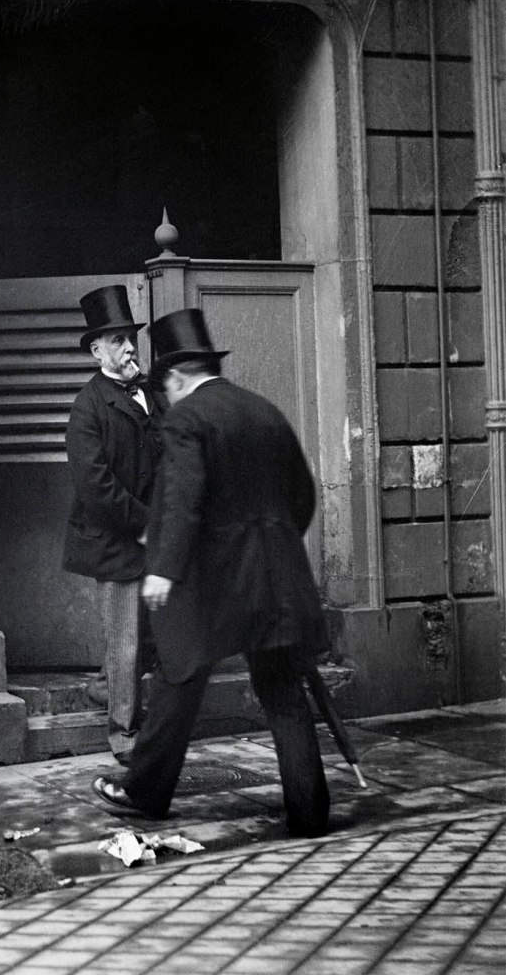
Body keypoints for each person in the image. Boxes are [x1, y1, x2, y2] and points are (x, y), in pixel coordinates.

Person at [92, 308, 330, 836]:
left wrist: (164, 568)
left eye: (167, 387)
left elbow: (182, 500)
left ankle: (144, 791)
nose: (168, 398)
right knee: (284, 692)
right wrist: (276, 545)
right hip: (281, 578)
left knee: (180, 672)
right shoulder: (264, 410)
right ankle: (311, 813)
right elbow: (303, 497)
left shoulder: (185, 419)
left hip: (219, 584)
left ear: (177, 378)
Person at [62, 285, 166, 766]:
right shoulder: (88, 406)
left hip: (153, 531)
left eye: (131, 339)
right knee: (126, 639)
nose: (129, 348)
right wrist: (145, 525)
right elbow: (95, 487)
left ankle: (104, 687)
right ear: (96, 349)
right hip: (117, 537)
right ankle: (124, 735)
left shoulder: (151, 394)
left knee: (149, 636)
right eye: (118, 340)